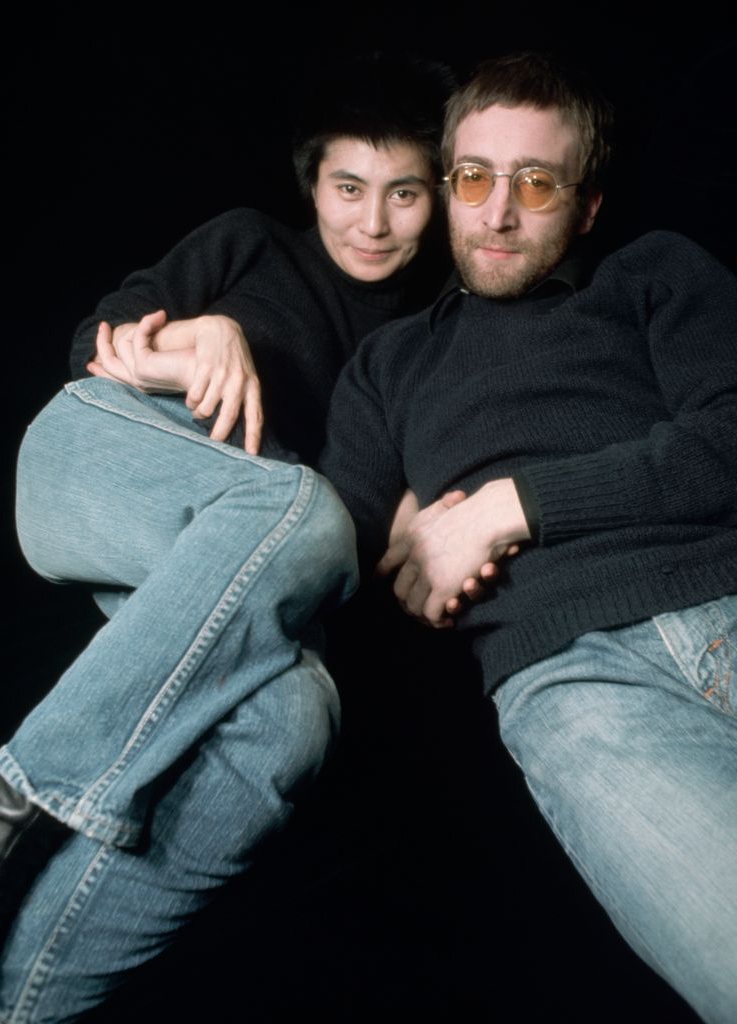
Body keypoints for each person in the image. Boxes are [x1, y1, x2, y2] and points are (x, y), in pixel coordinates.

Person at [0, 53, 454, 1021]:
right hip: (96, 460)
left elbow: (350, 542)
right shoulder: (248, 242)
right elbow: (98, 344)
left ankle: (20, 1003)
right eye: (349, 187)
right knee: (300, 508)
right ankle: (11, 806)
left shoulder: (425, 344)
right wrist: (204, 338)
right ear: (311, 184)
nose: (372, 222)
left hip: (218, 550)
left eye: (403, 193)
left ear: (437, 197)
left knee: (294, 719)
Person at [321, 52, 737, 1024]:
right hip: (577, 689)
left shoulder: (652, 272)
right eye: (473, 178)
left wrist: (509, 506)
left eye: (536, 183)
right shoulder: (389, 365)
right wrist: (406, 546)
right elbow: (324, 551)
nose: (498, 213)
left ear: (585, 206)